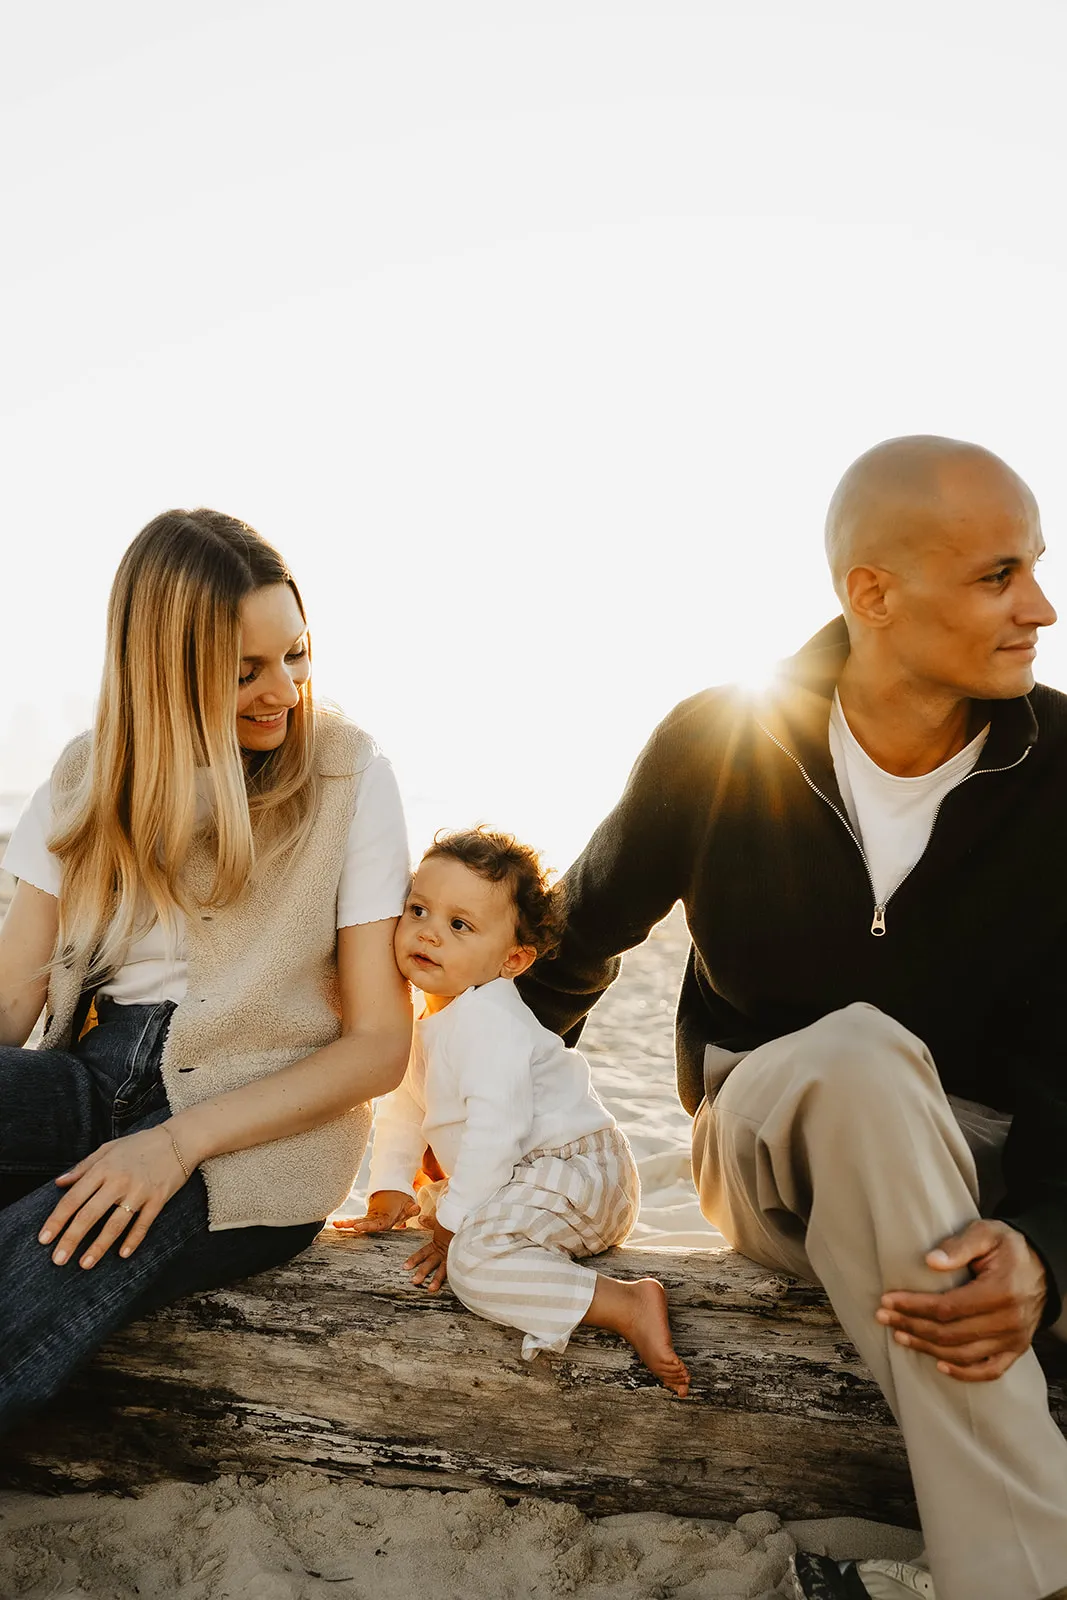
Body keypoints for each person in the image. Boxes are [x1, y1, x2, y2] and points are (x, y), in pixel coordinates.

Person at [518, 437, 1067, 1600]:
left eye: (1034, 568)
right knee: (858, 1056)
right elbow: (565, 945)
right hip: (770, 1145)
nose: (1039, 607)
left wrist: (1046, 1256)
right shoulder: (720, 740)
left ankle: (1001, 1556)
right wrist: (471, 1135)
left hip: (990, 1169)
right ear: (872, 593)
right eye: (997, 575)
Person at [0, 508, 413, 1428]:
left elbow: (380, 1046)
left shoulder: (349, 774)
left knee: (28, 1270)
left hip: (253, 1130)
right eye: (244, 672)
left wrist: (177, 1144)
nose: (284, 692)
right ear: (161, 670)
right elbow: (13, 995)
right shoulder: (83, 775)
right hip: (93, 1083)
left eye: (295, 655)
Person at [338, 827, 690, 1396]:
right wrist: (389, 1188)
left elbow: (497, 1133)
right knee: (442, 1209)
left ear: (513, 959)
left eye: (459, 925)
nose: (429, 932)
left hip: (578, 1172)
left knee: (472, 1260)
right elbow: (404, 1107)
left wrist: (453, 1230)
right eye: (418, 909)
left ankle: (627, 1303)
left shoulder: (489, 1021)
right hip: (528, 1174)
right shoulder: (424, 1015)